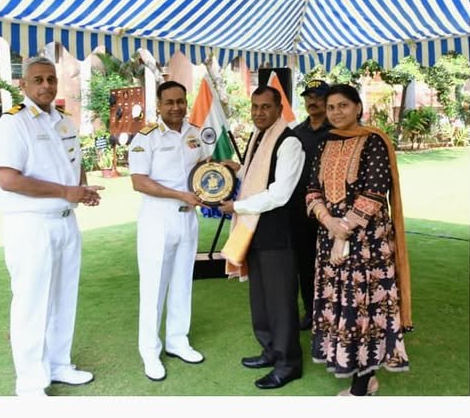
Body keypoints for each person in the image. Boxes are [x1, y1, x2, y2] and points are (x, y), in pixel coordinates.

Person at [0, 57, 102, 396]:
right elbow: (9, 179)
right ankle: (30, 382)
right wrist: (66, 191)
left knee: (64, 297)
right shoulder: (11, 124)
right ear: (23, 85)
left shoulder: (64, 121)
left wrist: (81, 190)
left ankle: (58, 364)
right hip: (30, 225)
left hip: (66, 221)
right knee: (32, 302)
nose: (46, 85)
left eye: (51, 79)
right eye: (38, 79)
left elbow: (71, 166)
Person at [306, 84, 411, 396]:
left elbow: (375, 192)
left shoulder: (373, 140)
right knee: (341, 305)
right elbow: (312, 190)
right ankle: (362, 374)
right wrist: (328, 222)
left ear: (358, 107)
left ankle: (361, 386)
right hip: (330, 238)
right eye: (331, 107)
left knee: (363, 308)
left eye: (343, 106)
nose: (337, 112)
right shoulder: (325, 142)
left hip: (367, 244)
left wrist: (343, 234)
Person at [218, 86, 305, 390]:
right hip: (254, 230)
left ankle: (288, 363)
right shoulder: (259, 136)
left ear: (280, 108)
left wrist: (237, 206)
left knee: (281, 302)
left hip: (278, 233)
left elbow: (279, 193)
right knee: (261, 299)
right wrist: (237, 170)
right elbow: (257, 176)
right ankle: (269, 350)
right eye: (255, 106)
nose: (259, 112)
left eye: (266, 107)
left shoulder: (289, 141)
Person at [128, 80, 212, 382]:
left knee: (181, 283)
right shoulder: (145, 137)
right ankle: (150, 350)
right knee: (154, 287)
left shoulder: (194, 133)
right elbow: (139, 181)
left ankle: (178, 340)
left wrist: (217, 170)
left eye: (180, 101)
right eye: (169, 102)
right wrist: (179, 195)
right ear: (159, 106)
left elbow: (202, 168)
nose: (176, 107)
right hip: (158, 219)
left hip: (187, 218)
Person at [290, 78, 332, 329]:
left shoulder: (338, 131)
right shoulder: (296, 133)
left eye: (317, 96)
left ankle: (331, 312)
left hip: (331, 211)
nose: (312, 101)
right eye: (308, 97)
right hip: (300, 211)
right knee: (304, 263)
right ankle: (311, 312)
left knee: (331, 262)